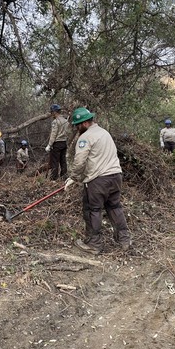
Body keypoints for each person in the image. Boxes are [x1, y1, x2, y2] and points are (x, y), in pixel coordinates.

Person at [64, 107, 131, 255]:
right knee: (114, 207)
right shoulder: (104, 133)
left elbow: (80, 161)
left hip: (98, 181)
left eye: (77, 125)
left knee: (92, 210)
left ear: (84, 123)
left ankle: (94, 244)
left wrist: (73, 177)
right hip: (116, 176)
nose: (77, 128)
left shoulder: (85, 137)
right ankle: (124, 240)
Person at [45, 104, 69, 180]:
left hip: (57, 143)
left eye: (52, 112)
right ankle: (64, 176)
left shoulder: (55, 122)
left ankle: (53, 178)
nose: (51, 113)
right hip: (64, 143)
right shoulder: (66, 121)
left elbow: (53, 134)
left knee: (55, 161)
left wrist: (49, 145)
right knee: (63, 161)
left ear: (55, 112)